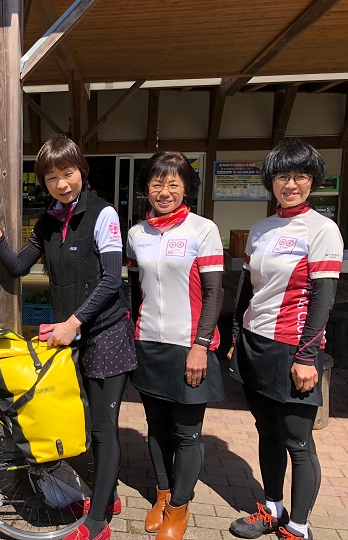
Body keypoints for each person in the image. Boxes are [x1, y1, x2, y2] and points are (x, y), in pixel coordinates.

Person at [0, 135, 137, 540]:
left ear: (81, 171)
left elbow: (110, 280)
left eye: (68, 174)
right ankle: (108, 496)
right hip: (74, 342)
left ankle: (98, 522)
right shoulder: (49, 220)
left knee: (103, 429)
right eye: (52, 177)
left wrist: (74, 323)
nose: (62, 184)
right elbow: (15, 266)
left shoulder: (104, 215)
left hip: (106, 336)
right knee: (81, 423)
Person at [228, 139, 343, 540]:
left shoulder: (323, 229)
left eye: (300, 176)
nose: (290, 184)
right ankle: (273, 508)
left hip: (294, 348)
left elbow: (323, 300)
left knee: (298, 440)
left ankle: (298, 526)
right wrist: (235, 335)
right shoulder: (261, 228)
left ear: (312, 182)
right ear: (271, 181)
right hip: (255, 344)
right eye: (282, 175)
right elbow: (247, 289)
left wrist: (308, 356)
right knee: (266, 430)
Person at [126, 151, 225, 540]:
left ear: (186, 187)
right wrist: (135, 333)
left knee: (186, 434)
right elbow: (137, 292)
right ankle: (162, 495)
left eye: (173, 183)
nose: (163, 191)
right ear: (146, 188)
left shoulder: (203, 229)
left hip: (189, 347)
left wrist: (201, 345)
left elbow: (216, 292)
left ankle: (180, 507)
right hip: (149, 342)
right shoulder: (137, 234)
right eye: (156, 183)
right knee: (155, 428)